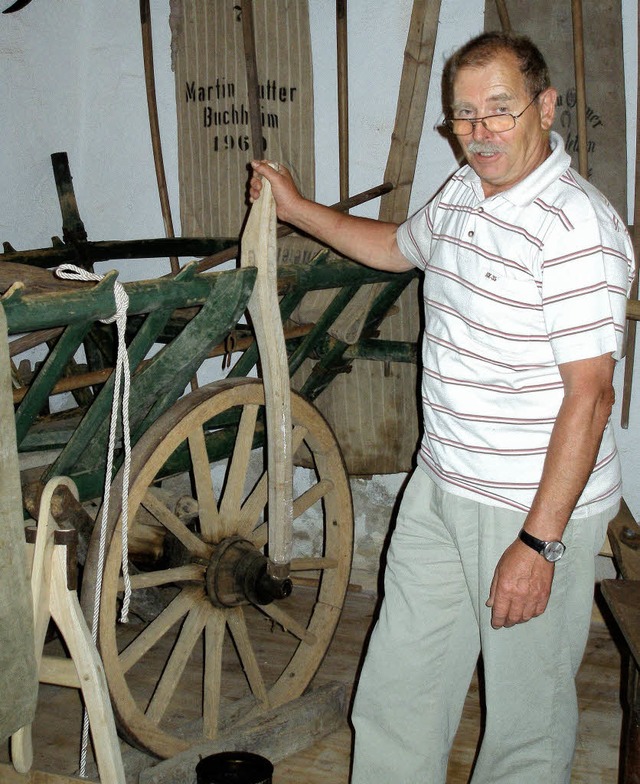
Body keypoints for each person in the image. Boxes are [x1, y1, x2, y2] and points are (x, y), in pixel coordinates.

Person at [249, 31, 635, 784]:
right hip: (440, 488)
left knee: (524, 728)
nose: (481, 133)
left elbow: (590, 400)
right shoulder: (465, 189)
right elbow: (398, 247)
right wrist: (297, 210)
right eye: (464, 116)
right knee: (399, 696)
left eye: (500, 110)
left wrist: (539, 545)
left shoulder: (575, 228)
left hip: (530, 507)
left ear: (545, 107)